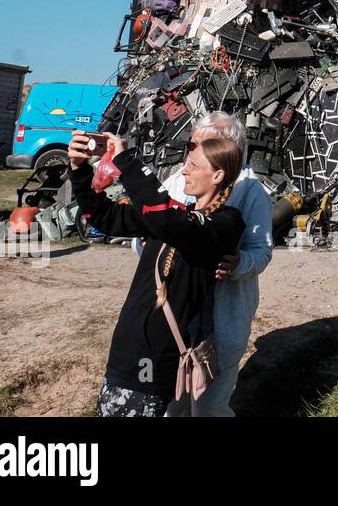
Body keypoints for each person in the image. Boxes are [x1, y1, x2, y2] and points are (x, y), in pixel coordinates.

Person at [69, 131, 244, 417]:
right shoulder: (176, 215)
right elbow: (103, 216)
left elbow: (167, 218)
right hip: (124, 352)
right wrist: (79, 169)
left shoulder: (224, 223)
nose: (184, 170)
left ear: (217, 176)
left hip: (152, 361)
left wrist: (126, 160)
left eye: (194, 166)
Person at [154, 111, 273, 416]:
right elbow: (152, 230)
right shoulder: (180, 180)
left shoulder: (250, 190)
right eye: (191, 145)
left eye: (197, 145)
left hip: (221, 321)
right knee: (171, 406)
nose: (189, 154)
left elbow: (261, 252)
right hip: (177, 318)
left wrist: (237, 264)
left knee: (207, 408)